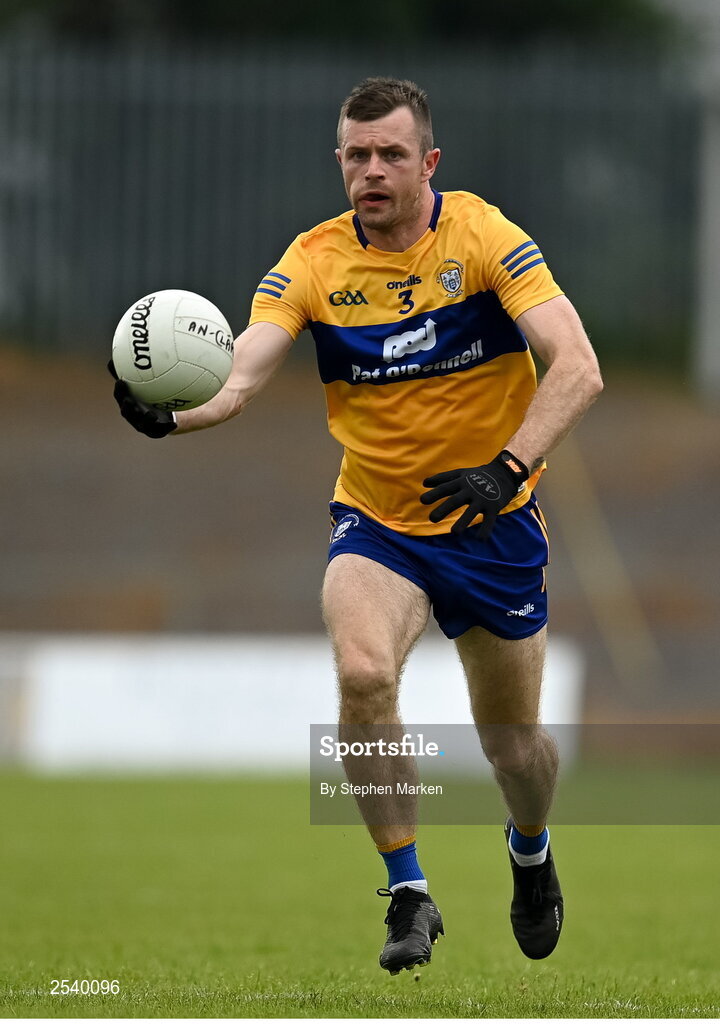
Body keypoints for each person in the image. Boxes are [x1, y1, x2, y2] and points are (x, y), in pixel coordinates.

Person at [111, 77, 603, 975]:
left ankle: (530, 852)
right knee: (363, 669)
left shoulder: (485, 238)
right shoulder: (312, 262)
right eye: (356, 155)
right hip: (379, 524)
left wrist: (508, 469)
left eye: (392, 154)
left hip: (495, 526)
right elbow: (241, 375)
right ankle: (408, 891)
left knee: (514, 747)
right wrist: (170, 413)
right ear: (338, 160)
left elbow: (578, 366)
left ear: (429, 163)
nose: (372, 171)